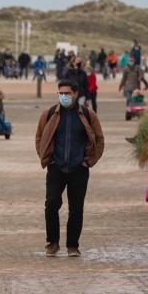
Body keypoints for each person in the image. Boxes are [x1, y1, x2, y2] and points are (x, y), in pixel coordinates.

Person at [35, 80, 104, 257]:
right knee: (51, 205)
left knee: (76, 208)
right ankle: (52, 243)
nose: (64, 96)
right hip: (56, 168)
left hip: (79, 169)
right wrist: (47, 159)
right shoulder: (50, 113)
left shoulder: (87, 114)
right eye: (61, 93)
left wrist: (88, 161)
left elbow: (99, 139)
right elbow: (40, 137)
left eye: (67, 93)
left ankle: (73, 245)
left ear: (75, 94)